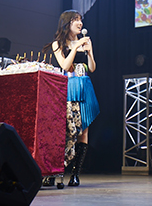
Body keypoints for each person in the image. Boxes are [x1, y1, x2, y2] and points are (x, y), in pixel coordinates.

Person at [48, 10, 99, 187]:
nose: (80, 23)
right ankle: (54, 170)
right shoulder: (58, 44)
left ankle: (75, 174)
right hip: (68, 88)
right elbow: (64, 65)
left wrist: (89, 52)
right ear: (66, 23)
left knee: (83, 131)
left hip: (84, 88)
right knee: (64, 129)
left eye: (80, 20)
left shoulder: (85, 41)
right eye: (75, 20)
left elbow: (92, 68)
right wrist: (76, 47)